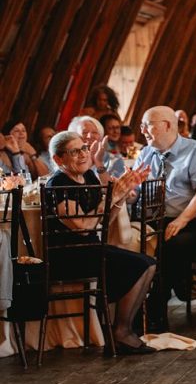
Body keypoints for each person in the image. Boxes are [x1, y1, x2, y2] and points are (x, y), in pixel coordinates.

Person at [45, 131, 156, 354]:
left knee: (149, 263)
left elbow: (104, 222)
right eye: (74, 151)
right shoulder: (58, 184)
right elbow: (83, 227)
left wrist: (121, 194)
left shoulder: (88, 177)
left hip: (92, 248)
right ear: (58, 159)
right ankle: (121, 332)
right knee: (139, 265)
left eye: (84, 149)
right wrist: (111, 197)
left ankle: (123, 328)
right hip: (69, 254)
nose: (83, 155)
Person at [135, 106, 196, 331]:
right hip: (153, 220)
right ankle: (130, 312)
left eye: (147, 124)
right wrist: (127, 190)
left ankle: (155, 313)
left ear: (167, 125)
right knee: (130, 243)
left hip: (191, 222)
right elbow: (136, 192)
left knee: (169, 246)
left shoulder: (195, 151)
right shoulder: (145, 153)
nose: (142, 130)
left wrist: (182, 220)